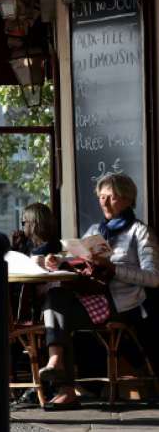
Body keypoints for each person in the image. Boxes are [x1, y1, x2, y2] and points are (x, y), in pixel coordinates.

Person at [38, 173, 159, 410]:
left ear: (127, 199)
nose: (103, 203)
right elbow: (78, 261)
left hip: (122, 303)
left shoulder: (140, 232)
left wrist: (113, 268)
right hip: (91, 296)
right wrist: (59, 262)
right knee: (55, 298)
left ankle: (64, 388)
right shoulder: (95, 230)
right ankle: (56, 364)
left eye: (110, 198)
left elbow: (154, 278)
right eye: (101, 197)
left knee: (59, 314)